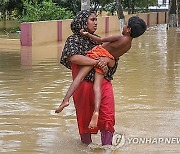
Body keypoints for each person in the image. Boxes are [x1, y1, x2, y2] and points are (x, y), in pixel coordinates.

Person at [55, 16, 147, 129]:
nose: (123, 26)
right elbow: (114, 58)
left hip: (97, 53)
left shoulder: (119, 37)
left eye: (125, 24)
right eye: (92, 20)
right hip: (105, 60)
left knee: (79, 78)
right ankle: (96, 111)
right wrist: (107, 61)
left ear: (128, 29)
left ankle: (65, 100)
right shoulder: (128, 45)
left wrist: (87, 35)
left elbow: (99, 41)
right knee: (97, 87)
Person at [59, 9, 119, 146]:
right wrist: (97, 62)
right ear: (82, 22)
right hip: (83, 86)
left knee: (107, 117)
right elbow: (74, 58)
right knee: (85, 118)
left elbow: (113, 59)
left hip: (103, 83)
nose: (96, 22)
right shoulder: (73, 40)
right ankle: (86, 147)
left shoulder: (97, 40)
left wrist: (106, 61)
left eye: (96, 20)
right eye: (92, 19)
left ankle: (107, 148)